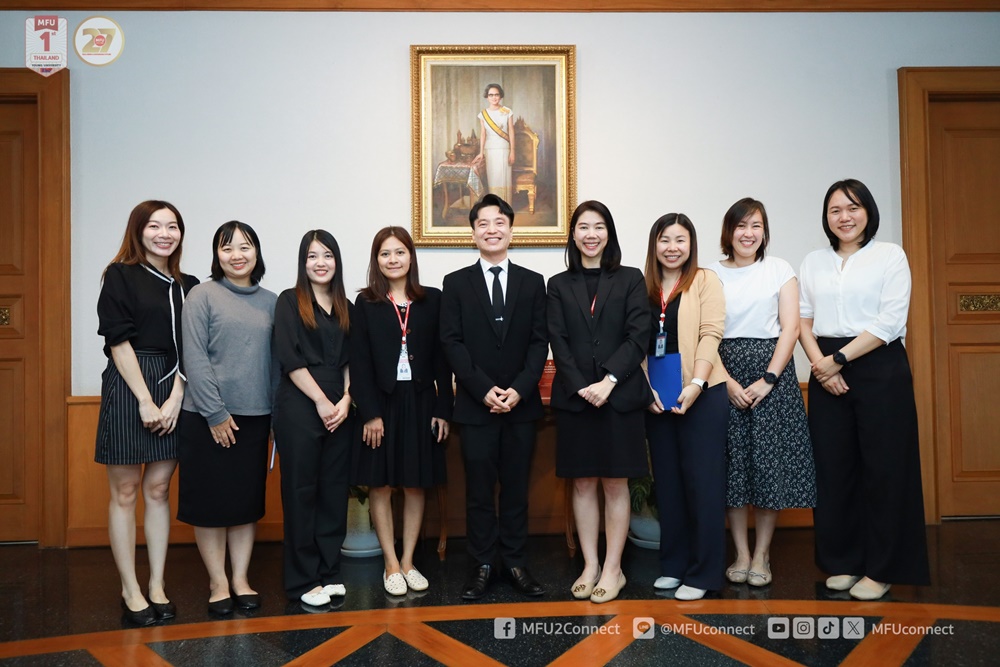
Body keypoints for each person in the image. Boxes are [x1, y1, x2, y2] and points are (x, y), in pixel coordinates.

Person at [799, 179, 930, 601]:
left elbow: (890, 321)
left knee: (885, 469)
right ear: (826, 217)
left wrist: (839, 359)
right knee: (834, 469)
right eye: (835, 210)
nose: (845, 217)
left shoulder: (890, 255)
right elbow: (802, 320)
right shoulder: (814, 261)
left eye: (853, 208)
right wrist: (823, 366)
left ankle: (882, 568)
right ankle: (844, 560)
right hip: (826, 367)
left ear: (868, 211)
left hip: (878, 364)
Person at [96, 200, 199, 625]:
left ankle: (156, 583)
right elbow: (117, 340)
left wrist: (175, 398)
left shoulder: (189, 285)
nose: (164, 234)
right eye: (154, 226)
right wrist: (143, 398)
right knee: (124, 492)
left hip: (174, 383)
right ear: (138, 231)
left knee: (158, 490)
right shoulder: (119, 275)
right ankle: (130, 588)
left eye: (172, 226)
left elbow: (194, 346)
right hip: (129, 382)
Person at [440, 193, 548, 600]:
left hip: (521, 407)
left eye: (499, 222)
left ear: (511, 230)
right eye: (483, 223)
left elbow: (539, 342)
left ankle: (516, 563)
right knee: (479, 492)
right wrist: (483, 389)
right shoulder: (455, 283)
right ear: (473, 233)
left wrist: (519, 389)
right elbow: (451, 343)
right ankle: (482, 565)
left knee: (517, 489)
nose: (491, 230)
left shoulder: (533, 282)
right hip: (475, 407)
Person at [707, 198, 816, 589]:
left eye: (756, 225)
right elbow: (706, 333)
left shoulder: (779, 269)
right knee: (733, 468)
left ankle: (762, 554)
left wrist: (769, 378)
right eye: (741, 225)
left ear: (764, 232)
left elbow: (791, 328)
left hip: (773, 376)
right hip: (724, 374)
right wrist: (727, 382)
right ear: (729, 231)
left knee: (770, 467)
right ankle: (740, 552)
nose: (748, 233)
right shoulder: (710, 274)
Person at [547, 201, 651, 604]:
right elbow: (558, 340)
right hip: (577, 400)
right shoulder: (558, 284)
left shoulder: (630, 278)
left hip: (619, 397)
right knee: (583, 481)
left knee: (615, 482)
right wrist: (581, 386)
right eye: (583, 227)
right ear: (573, 235)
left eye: (599, 227)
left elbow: (637, 337)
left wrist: (607, 381)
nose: (591, 234)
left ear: (609, 233)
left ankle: (613, 568)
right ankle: (590, 565)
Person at [178, 221, 277, 616]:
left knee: (244, 503)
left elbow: (276, 363)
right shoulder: (201, 295)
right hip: (207, 417)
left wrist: (275, 419)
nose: (237, 255)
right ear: (216, 255)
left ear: (257, 252)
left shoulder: (272, 301)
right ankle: (217, 581)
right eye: (227, 247)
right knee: (210, 504)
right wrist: (215, 413)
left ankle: (240, 578)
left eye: (245, 246)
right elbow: (194, 357)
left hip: (256, 417)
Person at [351, 227, 453, 596]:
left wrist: (443, 408)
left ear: (411, 256)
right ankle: (390, 563)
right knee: (380, 484)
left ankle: (409, 561)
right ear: (376, 260)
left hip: (421, 401)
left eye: (399, 252)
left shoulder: (432, 299)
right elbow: (360, 362)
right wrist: (370, 413)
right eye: (385, 254)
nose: (393, 259)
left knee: (415, 482)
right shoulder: (366, 303)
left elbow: (443, 358)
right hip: (382, 403)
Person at [643, 213, 728, 601]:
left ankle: (704, 573)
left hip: (702, 393)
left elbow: (711, 334)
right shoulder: (644, 287)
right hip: (658, 397)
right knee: (668, 484)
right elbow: (635, 341)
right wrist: (647, 390)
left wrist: (696, 383)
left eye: (680, 239)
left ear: (691, 244)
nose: (672, 247)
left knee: (703, 485)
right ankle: (674, 566)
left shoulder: (705, 280)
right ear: (654, 245)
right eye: (665, 239)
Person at [273, 230, 353, 608]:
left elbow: (354, 359)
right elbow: (289, 357)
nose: (320, 263)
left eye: (327, 255)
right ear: (303, 263)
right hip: (301, 405)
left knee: (334, 492)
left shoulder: (346, 306)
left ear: (337, 261)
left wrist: (347, 400)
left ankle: (329, 572)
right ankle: (302, 580)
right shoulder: (290, 301)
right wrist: (322, 401)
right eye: (312, 256)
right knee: (301, 492)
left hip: (341, 408)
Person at [472, 83, 515, 202]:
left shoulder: (507, 111)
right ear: (487, 97)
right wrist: (481, 152)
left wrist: (512, 152)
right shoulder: (483, 114)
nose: (494, 97)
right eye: (491, 95)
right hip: (490, 150)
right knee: (493, 179)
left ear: (500, 96)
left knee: (504, 178)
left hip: (504, 149)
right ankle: (495, 204)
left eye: (496, 94)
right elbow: (483, 134)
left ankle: (505, 205)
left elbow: (511, 131)